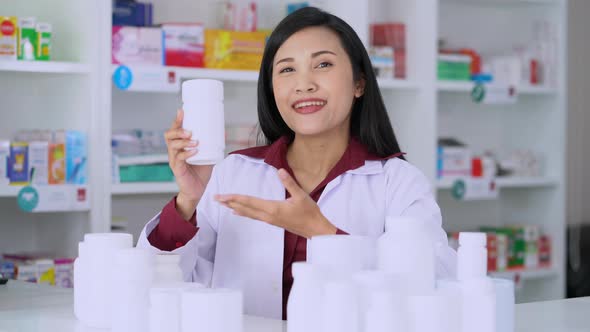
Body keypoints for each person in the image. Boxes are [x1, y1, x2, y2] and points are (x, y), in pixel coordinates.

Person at [137, 6, 456, 320]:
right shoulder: (233, 172)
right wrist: (188, 201)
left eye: (323, 64)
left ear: (359, 83)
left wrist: (322, 232)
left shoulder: (398, 182)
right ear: (272, 88)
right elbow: (161, 285)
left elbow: (433, 283)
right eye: (287, 69)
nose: (304, 84)